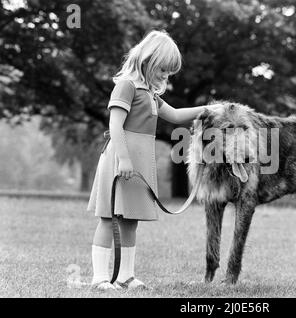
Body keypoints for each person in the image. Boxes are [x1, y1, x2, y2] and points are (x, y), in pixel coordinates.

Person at [87, 30, 221, 291]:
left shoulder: (150, 94)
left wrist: (207, 110)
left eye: (169, 73)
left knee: (130, 219)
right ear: (148, 60)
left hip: (140, 161)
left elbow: (175, 115)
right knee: (108, 217)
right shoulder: (126, 86)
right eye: (163, 70)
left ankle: (125, 276)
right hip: (121, 158)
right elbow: (115, 125)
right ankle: (100, 278)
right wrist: (124, 159)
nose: (165, 77)